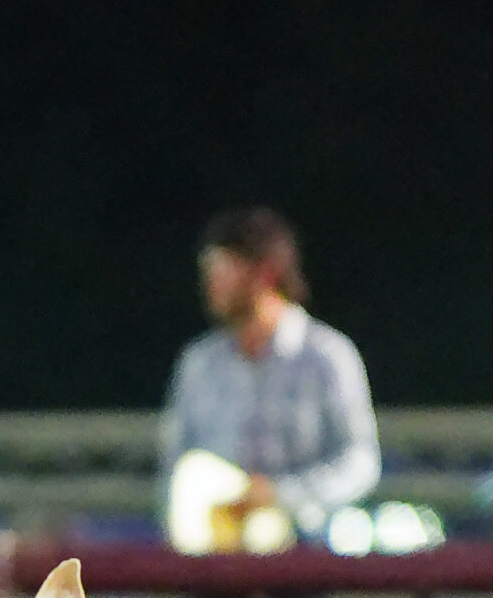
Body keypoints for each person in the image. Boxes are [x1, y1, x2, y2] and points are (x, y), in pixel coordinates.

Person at [163, 207, 380, 543]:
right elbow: (175, 464)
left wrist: (280, 496)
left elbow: (359, 462)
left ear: (264, 273)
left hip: (302, 553)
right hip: (215, 557)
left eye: (221, 270)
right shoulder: (199, 363)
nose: (210, 283)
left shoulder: (326, 357)